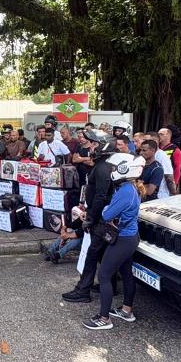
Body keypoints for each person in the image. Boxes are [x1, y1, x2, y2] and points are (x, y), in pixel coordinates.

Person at [83, 153, 144, 330]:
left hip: (123, 238)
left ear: (124, 169)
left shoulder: (125, 191)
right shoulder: (129, 187)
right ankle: (126, 311)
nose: (111, 170)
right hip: (129, 237)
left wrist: (108, 210)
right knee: (126, 273)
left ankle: (104, 319)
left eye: (114, 168)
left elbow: (106, 214)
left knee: (104, 275)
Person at [62, 130, 117, 303]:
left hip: (99, 218)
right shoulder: (102, 165)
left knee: (92, 255)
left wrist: (91, 218)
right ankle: (110, 286)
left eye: (93, 143)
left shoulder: (102, 168)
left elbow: (101, 196)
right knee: (100, 253)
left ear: (102, 146)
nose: (90, 146)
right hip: (99, 216)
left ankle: (83, 290)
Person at [147, 131, 177, 197]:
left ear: (156, 141)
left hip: (160, 195)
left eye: (148, 140)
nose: (145, 143)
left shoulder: (162, 156)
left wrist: (174, 195)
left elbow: (169, 177)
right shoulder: (147, 154)